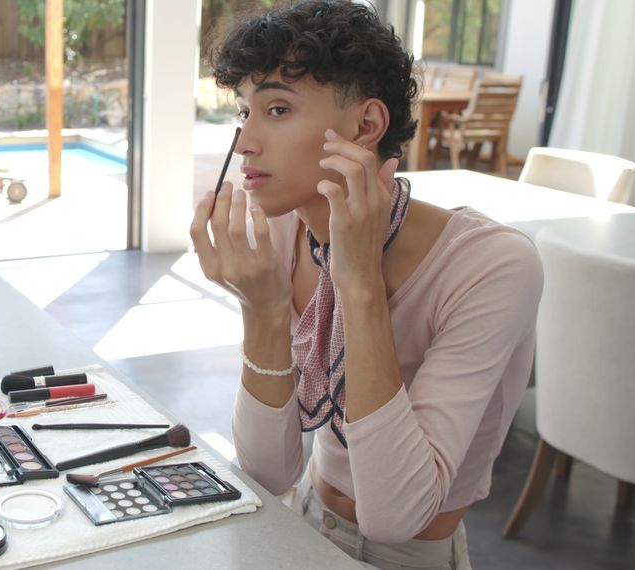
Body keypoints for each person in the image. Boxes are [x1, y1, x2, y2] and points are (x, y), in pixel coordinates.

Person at [189, 2, 543, 568]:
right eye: (243, 111)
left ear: (366, 125)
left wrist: (358, 284)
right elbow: (266, 472)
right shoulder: (284, 232)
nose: (246, 142)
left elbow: (398, 514)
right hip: (301, 526)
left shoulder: (490, 266)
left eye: (277, 109)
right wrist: (264, 313)